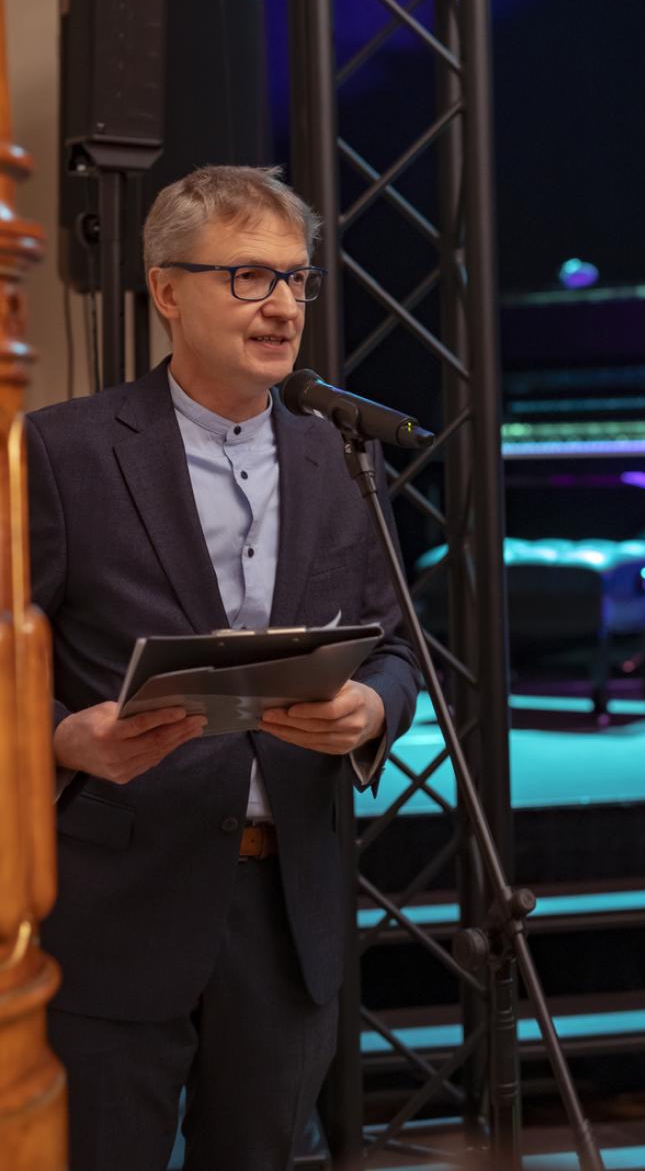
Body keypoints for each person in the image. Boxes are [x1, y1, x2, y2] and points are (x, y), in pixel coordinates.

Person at [28, 165, 421, 1171]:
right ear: (167, 290)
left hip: (287, 909)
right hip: (118, 903)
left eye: (296, 278)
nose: (283, 305)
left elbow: (396, 648)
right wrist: (62, 737)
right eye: (249, 276)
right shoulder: (62, 453)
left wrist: (371, 711)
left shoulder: (340, 459)